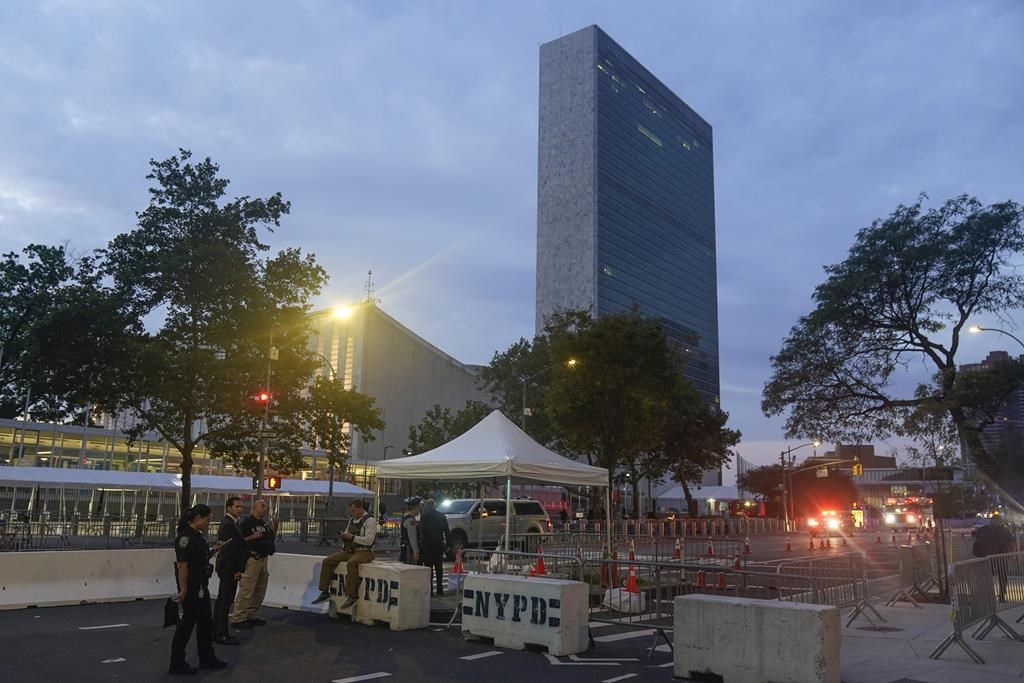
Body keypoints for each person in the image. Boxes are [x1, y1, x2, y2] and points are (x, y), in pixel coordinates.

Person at [169, 504, 228, 675]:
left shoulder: (197, 536)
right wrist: (184, 588)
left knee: (205, 624)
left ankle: (207, 658)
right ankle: (177, 662)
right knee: (186, 625)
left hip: (201, 584)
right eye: (207, 519)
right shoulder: (185, 538)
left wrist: (214, 550)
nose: (208, 523)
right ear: (197, 518)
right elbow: (182, 566)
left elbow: (200, 557)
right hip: (192, 586)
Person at [312, 498, 377, 608]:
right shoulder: (352, 520)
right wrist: (344, 536)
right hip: (350, 550)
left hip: (365, 552)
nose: (353, 513)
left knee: (351, 563)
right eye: (351, 511)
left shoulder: (370, 520)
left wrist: (352, 537)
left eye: (354, 511)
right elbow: (348, 533)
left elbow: (369, 540)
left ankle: (352, 595)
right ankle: (324, 592)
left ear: (361, 508)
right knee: (327, 561)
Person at [212, 496, 252, 645]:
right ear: (228, 508)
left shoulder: (230, 523)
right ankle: (221, 633)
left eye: (241, 506)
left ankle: (217, 630)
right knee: (225, 601)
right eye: (237, 506)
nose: (240, 509)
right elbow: (230, 550)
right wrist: (236, 570)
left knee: (223, 600)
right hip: (229, 568)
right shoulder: (229, 525)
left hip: (227, 566)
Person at [231, 499, 276, 629]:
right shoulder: (246, 523)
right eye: (263, 506)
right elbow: (239, 541)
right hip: (252, 558)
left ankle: (252, 614)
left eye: (266, 506)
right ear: (255, 508)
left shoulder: (265, 524)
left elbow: (270, 540)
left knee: (260, 589)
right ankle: (238, 617)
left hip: (263, 559)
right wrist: (252, 537)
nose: (265, 508)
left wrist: (274, 529)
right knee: (247, 589)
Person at [973, 514, 1018, 601]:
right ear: (1000, 521)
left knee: (986, 576)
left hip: (986, 557)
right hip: (1001, 557)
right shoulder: (1004, 531)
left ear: (991, 520)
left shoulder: (983, 529)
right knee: (1002, 576)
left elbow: (976, 539)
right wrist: (1011, 554)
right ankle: (1002, 595)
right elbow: (1012, 544)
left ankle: (986, 595)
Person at [419, 498, 449, 596]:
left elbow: (421, 531)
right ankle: (440, 590)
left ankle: (430, 591)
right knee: (439, 569)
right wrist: (447, 545)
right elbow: (447, 532)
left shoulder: (424, 517)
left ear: (427, 506)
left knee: (429, 569)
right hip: (438, 545)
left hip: (428, 546)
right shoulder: (441, 516)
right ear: (435, 506)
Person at [399, 497, 422, 565]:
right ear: (415, 507)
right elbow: (412, 537)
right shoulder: (410, 520)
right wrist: (416, 551)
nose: (419, 509)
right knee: (411, 570)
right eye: (418, 507)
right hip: (409, 550)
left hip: (407, 548)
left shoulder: (408, 518)